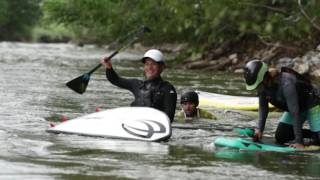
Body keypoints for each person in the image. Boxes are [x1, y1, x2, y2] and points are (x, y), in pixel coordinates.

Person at [243, 59, 320, 148]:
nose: (258, 89)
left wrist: (299, 142)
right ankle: (313, 135)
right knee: (282, 136)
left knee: (319, 139)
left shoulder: (287, 84)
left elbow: (295, 113)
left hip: (312, 104)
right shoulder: (263, 87)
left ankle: (315, 136)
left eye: (258, 85)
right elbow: (263, 108)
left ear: (265, 78)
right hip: (297, 107)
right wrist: (259, 130)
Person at [100, 49, 177, 122]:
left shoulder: (167, 89)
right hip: (134, 123)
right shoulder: (137, 84)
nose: (149, 67)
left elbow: (169, 117)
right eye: (147, 64)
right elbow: (115, 80)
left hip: (154, 128)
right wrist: (109, 67)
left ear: (162, 67)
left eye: (153, 64)